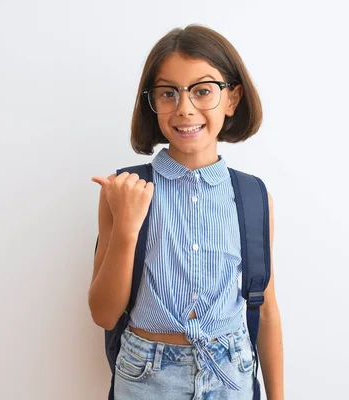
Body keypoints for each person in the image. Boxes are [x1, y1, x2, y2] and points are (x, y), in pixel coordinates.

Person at [89, 24, 284, 400]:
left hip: (233, 374)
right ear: (153, 102)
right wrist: (128, 228)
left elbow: (267, 309)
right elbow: (103, 314)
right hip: (147, 376)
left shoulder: (254, 196)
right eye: (168, 93)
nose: (184, 108)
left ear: (232, 99)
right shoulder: (125, 190)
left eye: (203, 90)